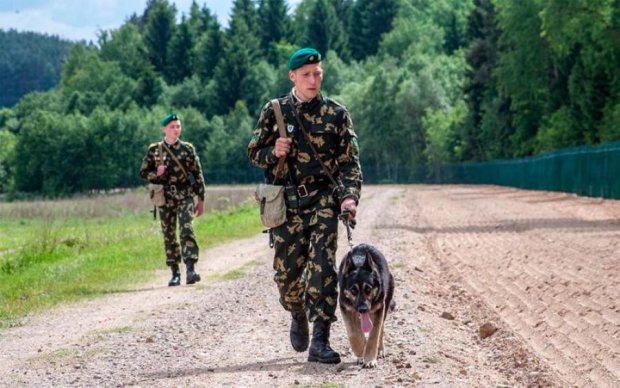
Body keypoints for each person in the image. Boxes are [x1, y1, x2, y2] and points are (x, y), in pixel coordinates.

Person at [247, 47, 362, 364]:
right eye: (307, 75)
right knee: (287, 276)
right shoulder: (276, 111)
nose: (313, 80)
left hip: (324, 200)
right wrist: (274, 151)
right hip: (287, 201)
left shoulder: (337, 115)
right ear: (293, 76)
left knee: (323, 270)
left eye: (318, 73)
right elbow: (254, 152)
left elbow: (349, 164)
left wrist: (349, 196)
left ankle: (320, 341)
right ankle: (296, 312)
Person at [140, 113, 206, 287]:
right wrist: (157, 173)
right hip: (165, 197)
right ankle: (175, 272)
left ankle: (191, 269)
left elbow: (198, 174)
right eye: (172, 127)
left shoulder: (187, 149)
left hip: (185, 195)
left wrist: (201, 199)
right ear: (164, 129)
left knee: (186, 228)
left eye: (178, 126)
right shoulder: (155, 150)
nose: (176, 130)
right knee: (169, 234)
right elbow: (143, 172)